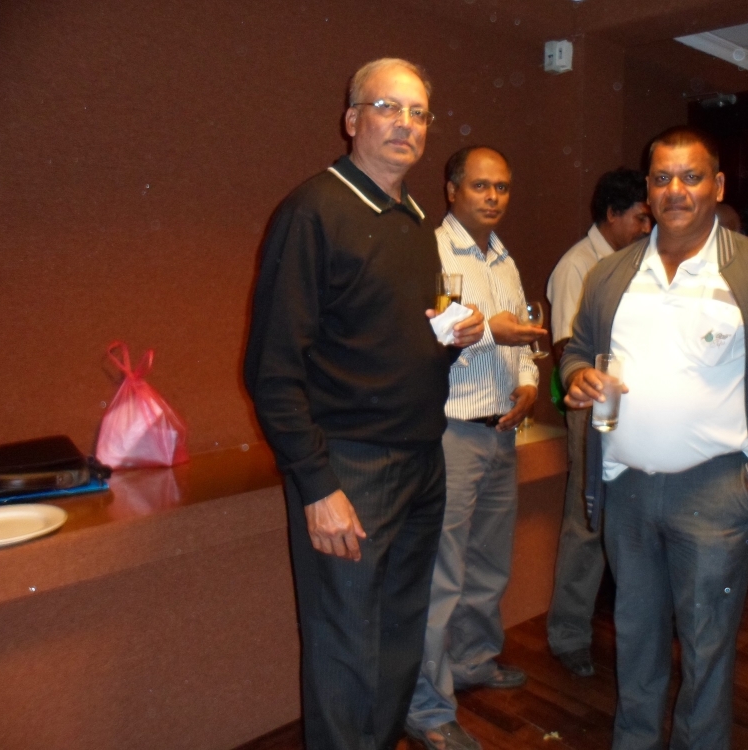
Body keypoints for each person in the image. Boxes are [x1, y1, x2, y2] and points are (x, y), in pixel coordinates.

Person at [561, 126, 748, 750]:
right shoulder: (611, 274)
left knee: (707, 647)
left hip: (717, 492)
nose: (676, 190)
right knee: (635, 638)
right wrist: (577, 376)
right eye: (662, 178)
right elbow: (578, 350)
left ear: (718, 185)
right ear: (648, 189)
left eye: (691, 176)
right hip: (627, 489)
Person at [243, 58, 485, 750]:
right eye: (388, 107)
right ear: (352, 120)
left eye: (418, 113)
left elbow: (393, 343)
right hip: (351, 468)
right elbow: (271, 370)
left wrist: (451, 340)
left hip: (422, 461)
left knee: (396, 645)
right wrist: (318, 486)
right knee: (348, 655)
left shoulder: (414, 218)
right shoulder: (313, 211)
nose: (405, 124)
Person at [404, 146, 541, 750]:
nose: (493, 197)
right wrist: (491, 329)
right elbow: (433, 334)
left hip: (502, 429)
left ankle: (473, 661)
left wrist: (530, 382)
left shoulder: (504, 258)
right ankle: (426, 708)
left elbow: (522, 338)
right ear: (452, 189)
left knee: (488, 563)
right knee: (442, 574)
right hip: (451, 434)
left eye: (502, 187)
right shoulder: (430, 251)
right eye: (481, 186)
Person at [545, 168, 651, 678]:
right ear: (612, 214)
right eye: (640, 218)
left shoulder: (639, 264)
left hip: (635, 411)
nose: (647, 228)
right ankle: (568, 634)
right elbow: (568, 349)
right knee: (586, 522)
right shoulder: (578, 266)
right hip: (592, 411)